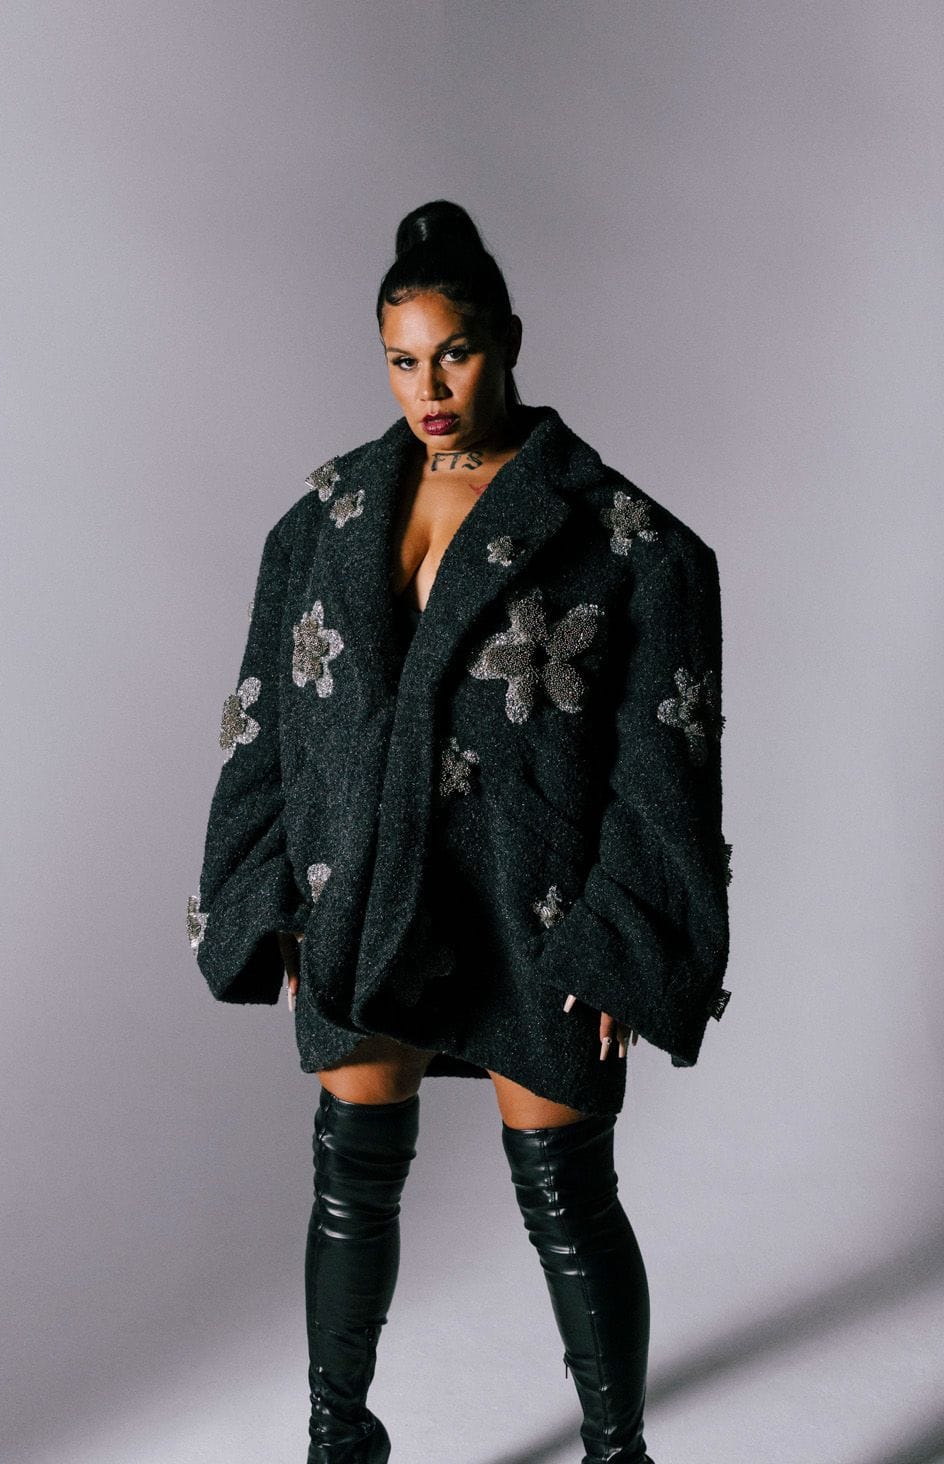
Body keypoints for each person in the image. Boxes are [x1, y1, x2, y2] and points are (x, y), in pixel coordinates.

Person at [190, 199, 732, 1463]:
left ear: (509, 341)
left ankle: (616, 1453)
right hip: (369, 897)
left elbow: (666, 752)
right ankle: (340, 1440)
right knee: (351, 1175)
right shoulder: (323, 521)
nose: (428, 387)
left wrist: (627, 931)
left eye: (455, 354)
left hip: (530, 905)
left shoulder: (619, 537)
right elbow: (266, 720)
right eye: (402, 358)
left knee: (566, 1195)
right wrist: (268, 895)